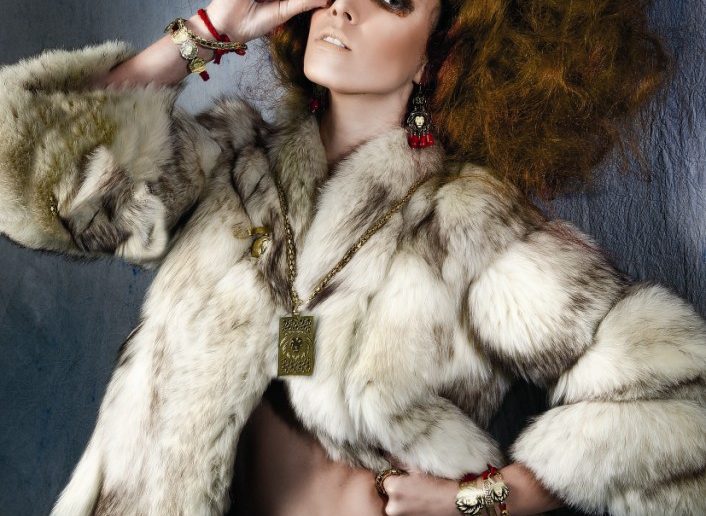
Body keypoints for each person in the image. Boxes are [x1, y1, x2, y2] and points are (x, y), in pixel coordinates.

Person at [0, 0, 703, 515]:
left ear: (437, 57)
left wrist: (487, 500)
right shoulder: (228, 163)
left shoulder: (468, 223)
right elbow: (42, 176)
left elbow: (678, 401)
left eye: (392, 0)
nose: (344, 7)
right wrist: (212, 31)